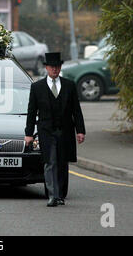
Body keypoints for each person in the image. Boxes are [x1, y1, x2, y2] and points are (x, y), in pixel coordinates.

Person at [24, 52, 86, 207]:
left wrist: (80, 131)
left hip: (64, 130)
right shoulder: (37, 87)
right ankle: (52, 195)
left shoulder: (69, 85)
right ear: (46, 68)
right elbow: (32, 112)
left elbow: (76, 110)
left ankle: (61, 195)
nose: (55, 69)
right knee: (50, 162)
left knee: (62, 163)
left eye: (57, 67)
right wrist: (28, 134)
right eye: (52, 67)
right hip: (46, 131)